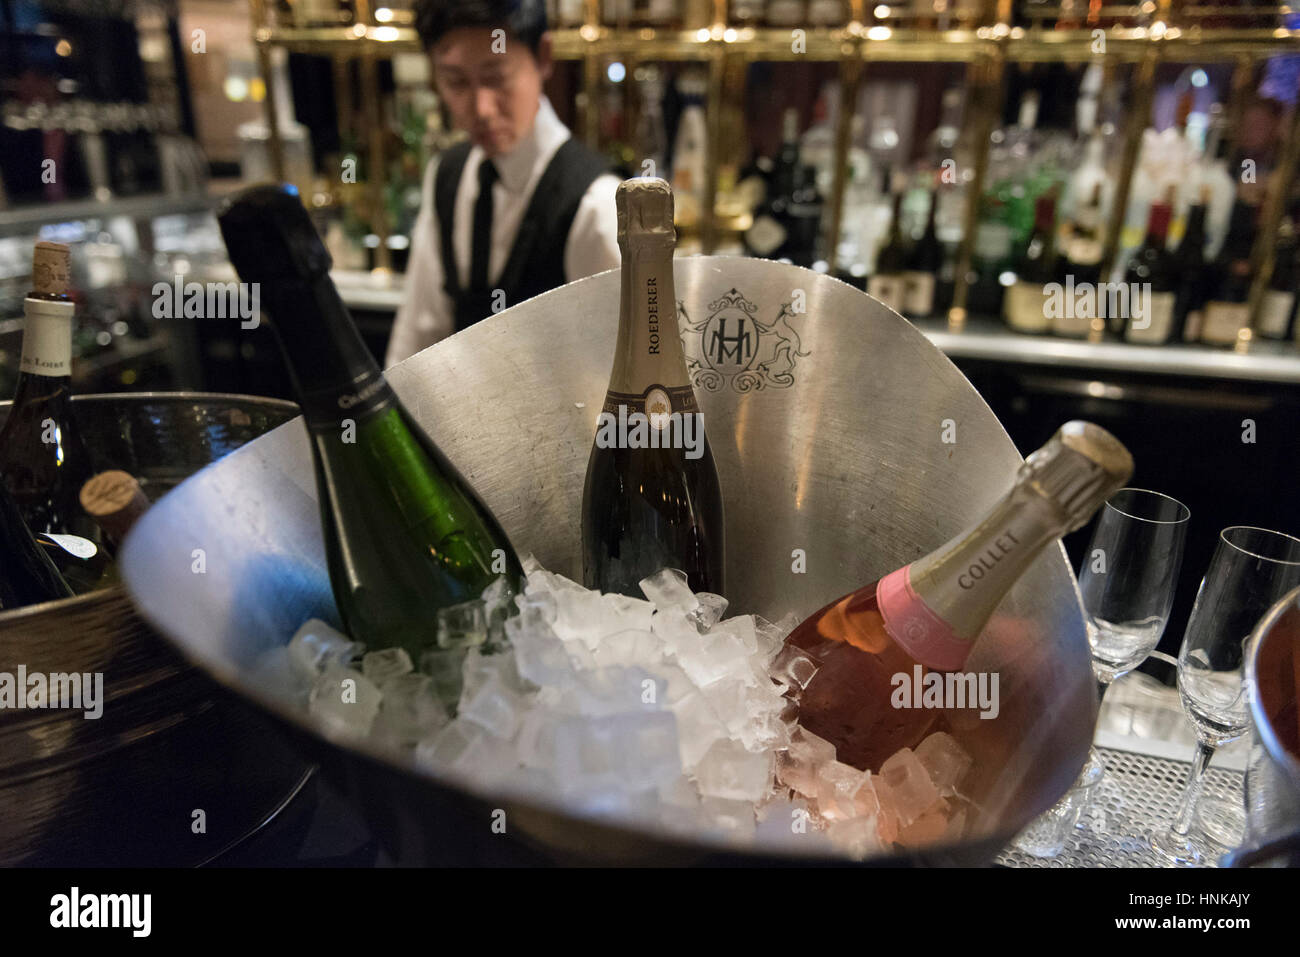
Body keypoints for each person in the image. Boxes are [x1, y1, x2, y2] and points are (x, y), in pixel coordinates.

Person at [385, 0, 622, 366]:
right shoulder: (447, 174)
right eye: (456, 82)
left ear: (543, 57)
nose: (480, 108)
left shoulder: (596, 205)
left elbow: (618, 370)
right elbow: (419, 336)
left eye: (495, 78)